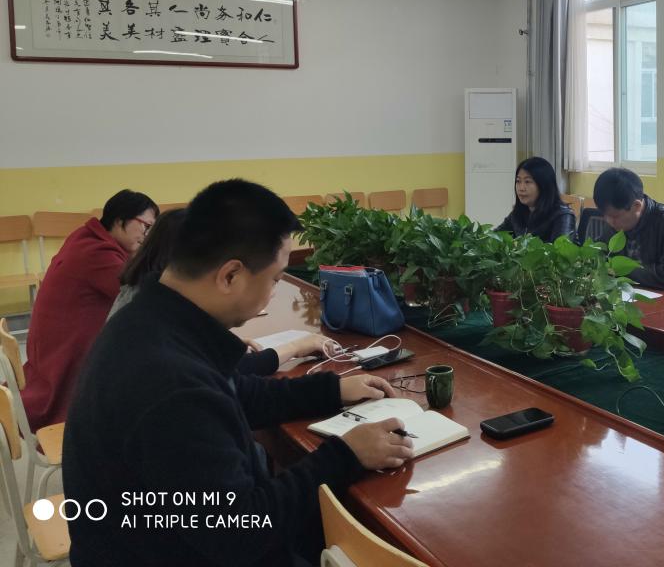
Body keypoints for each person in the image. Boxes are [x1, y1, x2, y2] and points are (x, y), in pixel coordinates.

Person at [63, 179, 413, 567]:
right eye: (275, 279)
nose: (273, 292)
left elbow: (232, 393)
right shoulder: (170, 383)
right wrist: (345, 454)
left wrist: (332, 389)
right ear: (230, 276)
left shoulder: (151, 320)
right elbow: (243, 531)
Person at [109, 208, 330, 376]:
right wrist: (295, 347)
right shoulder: (155, 312)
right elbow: (234, 371)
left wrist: (218, 343)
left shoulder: (144, 290)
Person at [22, 189, 158, 430]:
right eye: (145, 227)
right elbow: (142, 295)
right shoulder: (97, 253)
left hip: (50, 344)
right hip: (68, 351)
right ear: (120, 221)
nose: (147, 236)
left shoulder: (86, 237)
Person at [589, 168, 664, 292]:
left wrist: (620, 269)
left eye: (614, 216)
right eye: (604, 215)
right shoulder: (615, 223)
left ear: (636, 206)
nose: (608, 221)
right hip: (635, 295)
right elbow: (598, 258)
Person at [495, 157, 576, 242]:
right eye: (518, 181)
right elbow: (494, 237)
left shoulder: (562, 216)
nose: (521, 188)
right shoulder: (518, 213)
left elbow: (561, 249)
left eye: (527, 182)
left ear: (544, 185)